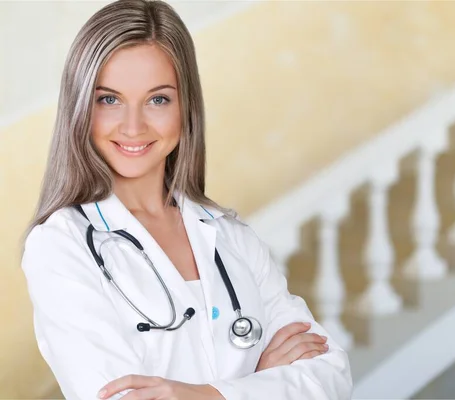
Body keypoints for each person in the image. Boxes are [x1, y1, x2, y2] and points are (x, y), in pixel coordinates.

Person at [20, 0, 353, 399]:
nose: (133, 126)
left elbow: (330, 375)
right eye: (108, 99)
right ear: (80, 108)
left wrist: (205, 394)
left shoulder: (229, 235)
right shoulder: (61, 246)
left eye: (158, 99)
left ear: (185, 107)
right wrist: (255, 384)